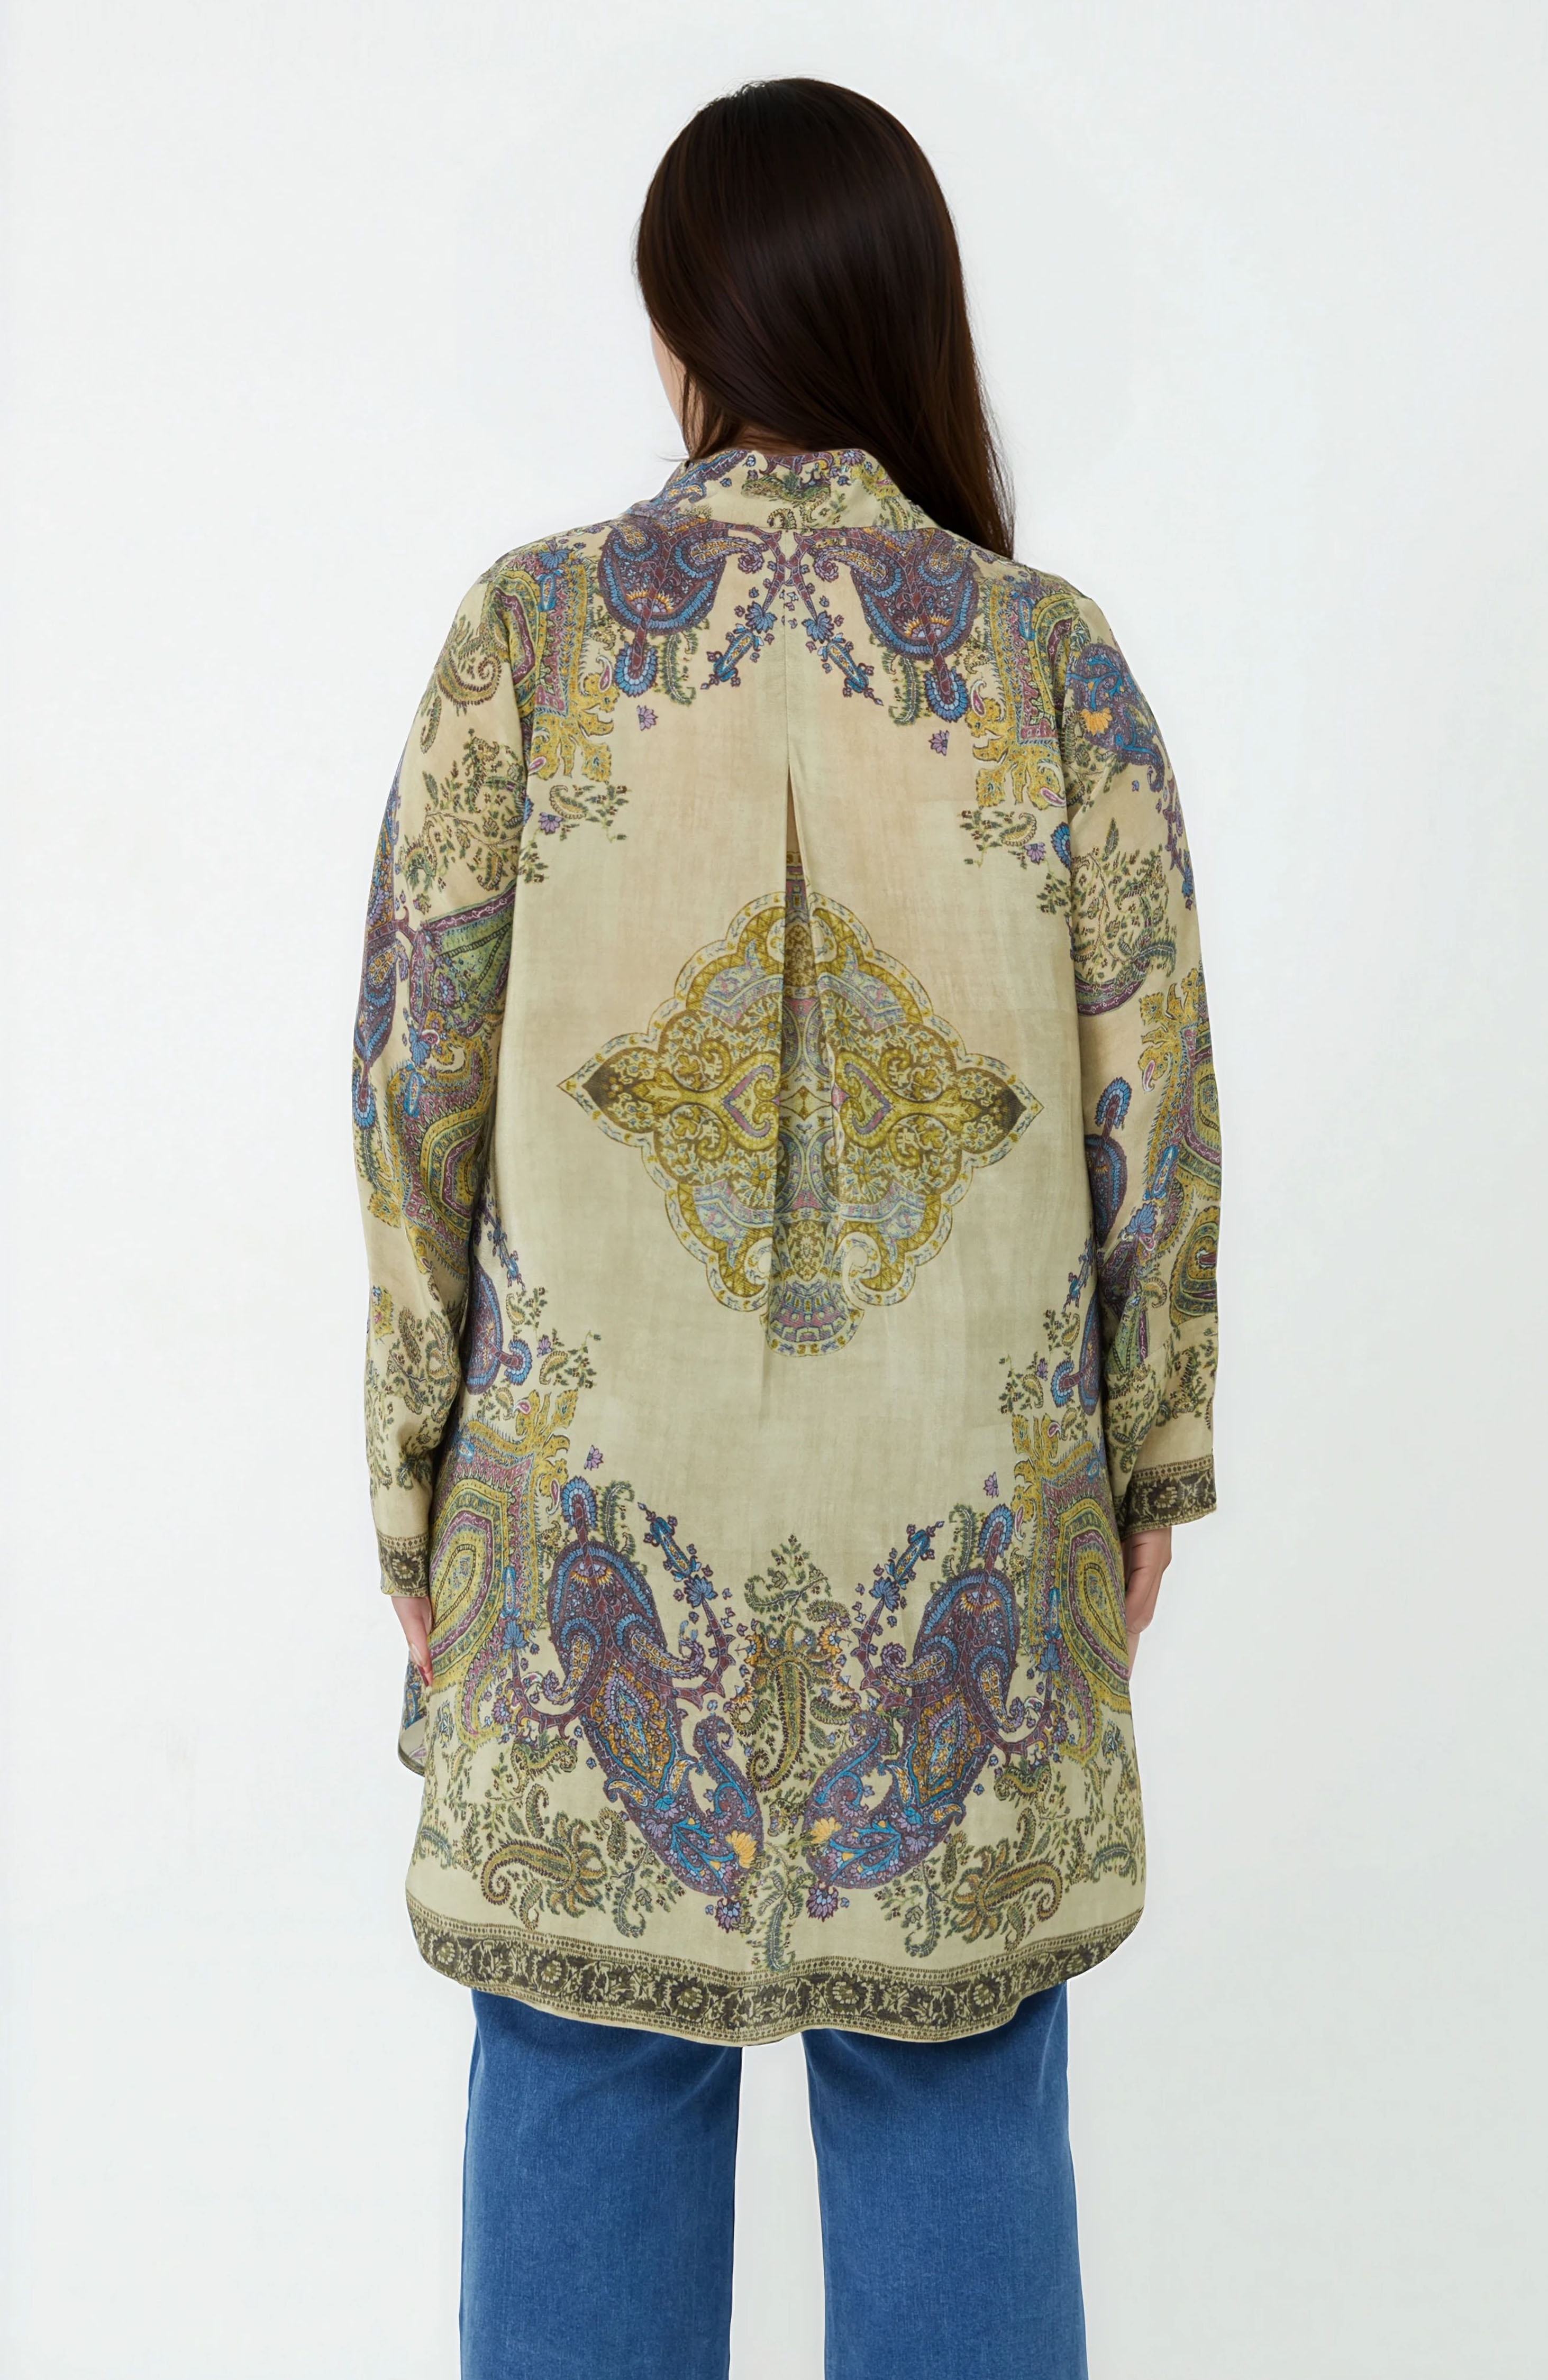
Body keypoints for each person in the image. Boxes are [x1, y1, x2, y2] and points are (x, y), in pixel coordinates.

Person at [352, 76, 1220, 2380]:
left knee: (582, 2068)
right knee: (957, 2085)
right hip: (970, 1544)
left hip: (584, 1547)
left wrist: (414, 1487)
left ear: (681, 329)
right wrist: (1149, 1461)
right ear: (910, 316)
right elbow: (1152, 1093)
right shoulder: (1047, 660)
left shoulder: (533, 637)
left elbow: (414, 1090)